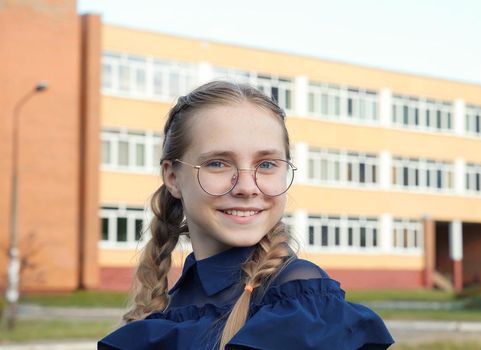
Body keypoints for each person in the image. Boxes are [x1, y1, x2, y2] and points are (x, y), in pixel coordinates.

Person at [98, 81, 394, 349]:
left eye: (266, 165)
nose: (247, 187)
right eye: (217, 163)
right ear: (173, 177)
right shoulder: (168, 307)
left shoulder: (300, 303)